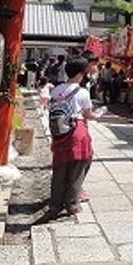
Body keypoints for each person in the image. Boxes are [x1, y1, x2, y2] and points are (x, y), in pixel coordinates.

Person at [46, 57, 101, 219]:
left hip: (59, 132)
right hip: (77, 131)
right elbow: (88, 114)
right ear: (79, 74)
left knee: (60, 167)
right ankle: (71, 203)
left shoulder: (55, 90)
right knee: (80, 164)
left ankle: (55, 203)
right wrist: (97, 115)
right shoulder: (82, 92)